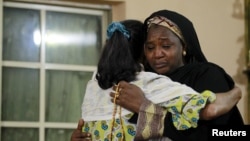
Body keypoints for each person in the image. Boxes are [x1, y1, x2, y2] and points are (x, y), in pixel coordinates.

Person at [76, 19, 242, 141]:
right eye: (150, 47)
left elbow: (218, 132)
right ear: (142, 51)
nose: (157, 54)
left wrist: (144, 107)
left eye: (166, 46)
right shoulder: (137, 81)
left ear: (183, 46)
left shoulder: (206, 74)